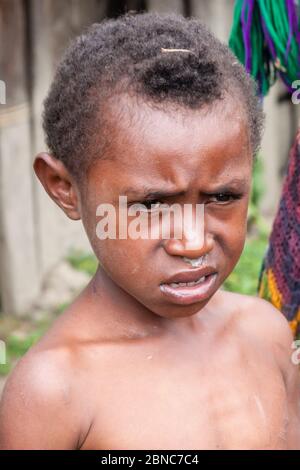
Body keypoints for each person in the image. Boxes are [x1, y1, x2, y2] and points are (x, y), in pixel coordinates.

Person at [0, 12, 299, 450]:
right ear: (64, 189)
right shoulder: (54, 394)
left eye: (222, 197)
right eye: (151, 205)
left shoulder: (266, 332)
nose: (194, 241)